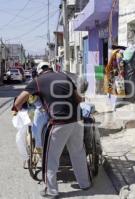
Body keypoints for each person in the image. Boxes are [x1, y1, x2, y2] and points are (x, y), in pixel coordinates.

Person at [13, 62, 91, 198]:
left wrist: (16, 111)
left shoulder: (37, 81)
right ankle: (85, 184)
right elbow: (78, 98)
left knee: (50, 158)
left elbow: (19, 102)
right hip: (77, 120)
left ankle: (51, 190)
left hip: (59, 122)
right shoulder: (64, 76)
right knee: (78, 152)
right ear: (51, 69)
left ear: (39, 72)